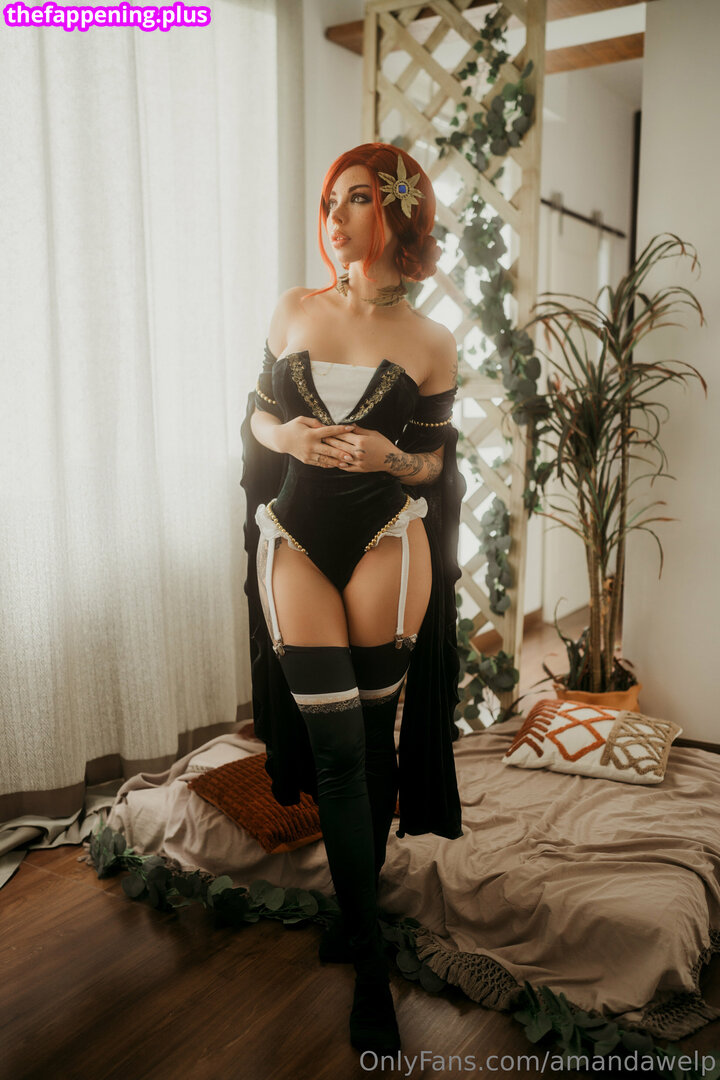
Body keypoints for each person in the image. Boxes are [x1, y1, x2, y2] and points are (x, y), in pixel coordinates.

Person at [239, 142, 467, 1054]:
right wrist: (287, 437)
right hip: (294, 536)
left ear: (398, 212)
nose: (334, 217)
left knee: (373, 741)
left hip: (385, 539)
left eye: (359, 199)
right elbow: (254, 415)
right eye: (331, 200)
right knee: (335, 751)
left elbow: (436, 463)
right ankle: (372, 965)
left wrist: (389, 456)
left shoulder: (432, 342)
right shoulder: (293, 308)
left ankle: (354, 920)